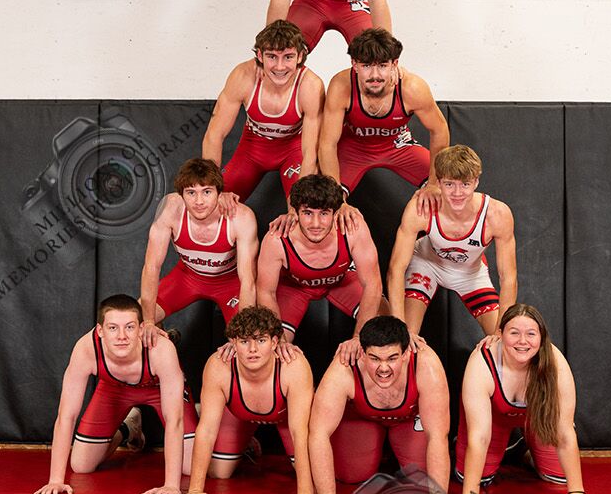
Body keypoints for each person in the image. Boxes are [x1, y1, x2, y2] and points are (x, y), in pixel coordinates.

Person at [32, 295, 196, 494]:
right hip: (114, 389)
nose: (121, 336)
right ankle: (129, 427)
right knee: (81, 465)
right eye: (112, 328)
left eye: (129, 327)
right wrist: (55, 480)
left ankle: (196, 412)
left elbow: (175, 420)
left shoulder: (161, 349)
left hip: (158, 390)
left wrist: (171, 485)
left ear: (141, 329)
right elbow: (66, 416)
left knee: (189, 466)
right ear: (100, 331)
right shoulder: (86, 349)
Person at [456, 303, 601, 494]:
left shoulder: (555, 362)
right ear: (500, 334)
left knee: (558, 476)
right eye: (514, 333)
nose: (522, 341)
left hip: (537, 417)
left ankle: (524, 451)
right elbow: (479, 437)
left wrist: (577, 491)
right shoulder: (482, 362)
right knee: (477, 478)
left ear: (541, 337)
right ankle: (501, 449)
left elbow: (565, 431)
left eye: (531, 334)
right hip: (493, 420)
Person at [175, 306, 318, 494]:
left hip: (286, 419)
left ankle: (245, 441)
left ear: (274, 342)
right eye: (244, 341)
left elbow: (299, 431)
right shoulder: (219, 365)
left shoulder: (293, 365)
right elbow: (206, 431)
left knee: (314, 471)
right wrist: (195, 490)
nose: (252, 349)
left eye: (260, 340)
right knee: (219, 472)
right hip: (238, 414)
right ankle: (240, 436)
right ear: (233, 343)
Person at [306, 315, 452, 494]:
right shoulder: (345, 367)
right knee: (351, 474)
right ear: (362, 354)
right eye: (375, 359)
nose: (384, 368)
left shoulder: (425, 363)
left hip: (408, 419)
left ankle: (393, 454)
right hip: (363, 419)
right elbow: (318, 432)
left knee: (422, 477)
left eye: (392, 358)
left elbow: (438, 434)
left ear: (406, 354)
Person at [387, 145, 516, 339]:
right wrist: (399, 328)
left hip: (470, 275)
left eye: (465, 184)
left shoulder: (497, 214)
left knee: (505, 339)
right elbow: (396, 269)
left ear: (476, 182)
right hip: (426, 265)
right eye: (449, 184)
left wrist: (500, 331)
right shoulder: (421, 209)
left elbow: (508, 278)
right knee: (406, 338)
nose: (457, 193)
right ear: (438, 182)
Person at [256, 174, 386, 363]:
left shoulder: (352, 228)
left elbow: (373, 284)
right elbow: (265, 292)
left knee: (385, 331)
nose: (315, 224)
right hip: (294, 288)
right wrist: (280, 340)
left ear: (336, 212)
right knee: (272, 348)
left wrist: (359, 337)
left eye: (324, 213)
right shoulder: (277, 239)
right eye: (308, 213)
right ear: (295, 212)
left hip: (341, 282)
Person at [318, 28, 449, 206]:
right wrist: (336, 200)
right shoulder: (341, 86)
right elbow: (327, 144)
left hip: (398, 145)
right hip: (353, 149)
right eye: (366, 66)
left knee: (448, 189)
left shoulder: (412, 88)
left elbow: (439, 130)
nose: (375, 75)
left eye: (382, 65)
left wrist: (433, 184)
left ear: (394, 64)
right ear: (354, 64)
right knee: (325, 203)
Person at [201, 21, 325, 205]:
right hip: (252, 149)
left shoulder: (311, 86)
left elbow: (310, 153)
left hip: (293, 150)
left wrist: (298, 205)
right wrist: (212, 188)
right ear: (260, 55)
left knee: (302, 208)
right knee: (213, 203)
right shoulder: (243, 76)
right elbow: (214, 135)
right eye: (272, 57)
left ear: (300, 56)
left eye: (288, 57)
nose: (280, 67)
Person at [139, 159, 259, 346]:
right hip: (188, 277)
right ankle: (164, 346)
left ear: (219, 193)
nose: (199, 201)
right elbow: (151, 267)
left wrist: (243, 335)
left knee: (244, 342)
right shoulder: (170, 208)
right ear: (181, 194)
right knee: (135, 323)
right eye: (191, 193)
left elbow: (248, 281)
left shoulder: (240, 217)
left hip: (231, 284)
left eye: (207, 192)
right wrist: (148, 322)